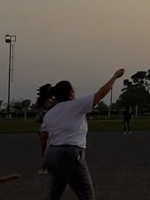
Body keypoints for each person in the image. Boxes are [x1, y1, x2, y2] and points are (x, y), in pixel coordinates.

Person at [40, 68, 125, 200]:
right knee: (87, 195)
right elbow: (100, 94)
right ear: (70, 93)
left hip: (51, 155)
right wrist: (114, 77)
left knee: (53, 196)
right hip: (69, 153)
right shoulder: (75, 105)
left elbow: (43, 137)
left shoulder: (50, 113)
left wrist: (44, 155)